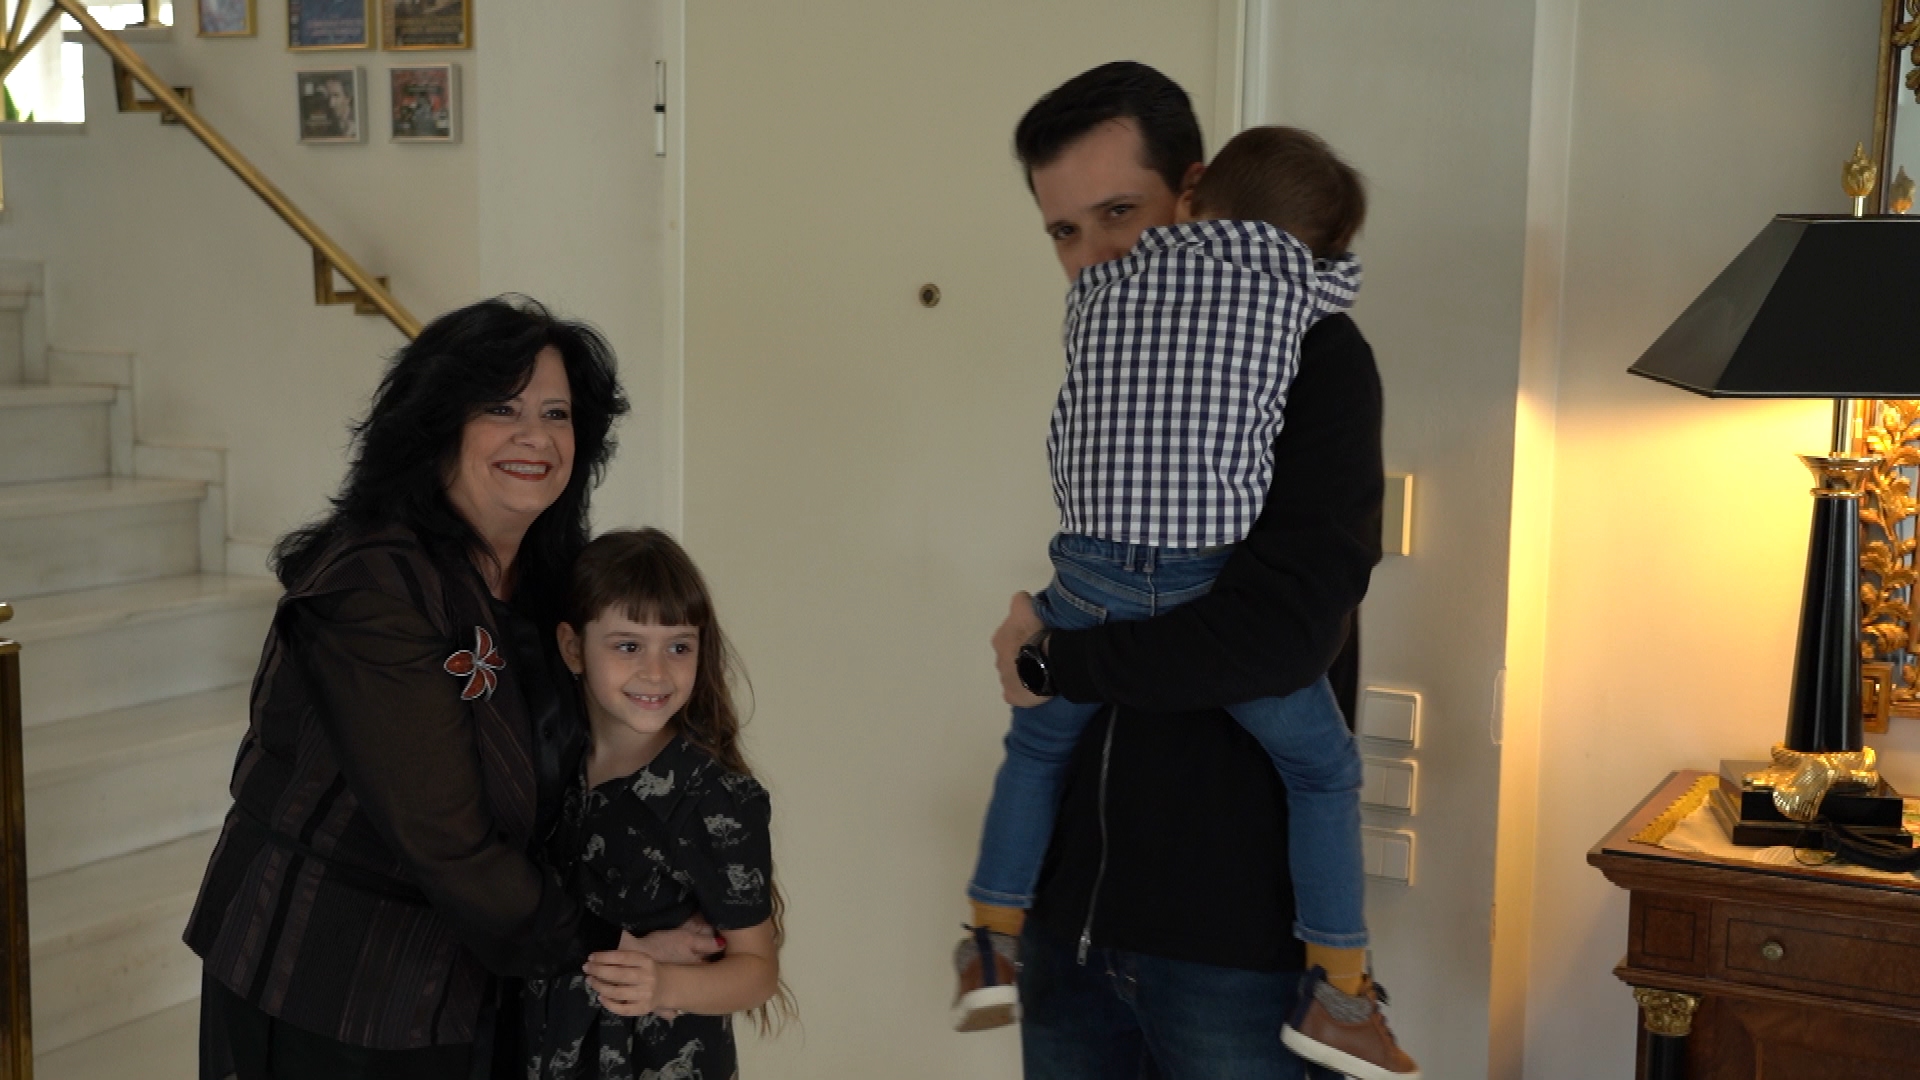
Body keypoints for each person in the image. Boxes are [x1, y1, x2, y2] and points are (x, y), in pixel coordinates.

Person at [956, 120, 1416, 1078]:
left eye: (1120, 212)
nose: (1097, 252)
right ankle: (1339, 989)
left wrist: (1054, 659)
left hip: (1227, 952)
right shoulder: (1188, 318)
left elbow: (1278, 640)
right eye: (1065, 231)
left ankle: (988, 938)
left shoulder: (1318, 354)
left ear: (1192, 191)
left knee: (1046, 742)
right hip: (1069, 926)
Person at [184, 297, 712, 1079]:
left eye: (557, 413)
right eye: (501, 407)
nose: (535, 436)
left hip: (479, 977)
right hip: (328, 982)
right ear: (437, 424)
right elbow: (447, 841)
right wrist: (616, 948)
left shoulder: (548, 582)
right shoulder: (372, 587)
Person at [523, 528, 789, 1078]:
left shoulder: (712, 797)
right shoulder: (549, 766)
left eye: (678, 647)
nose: (656, 671)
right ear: (573, 648)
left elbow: (757, 971)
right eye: (628, 646)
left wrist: (664, 983)